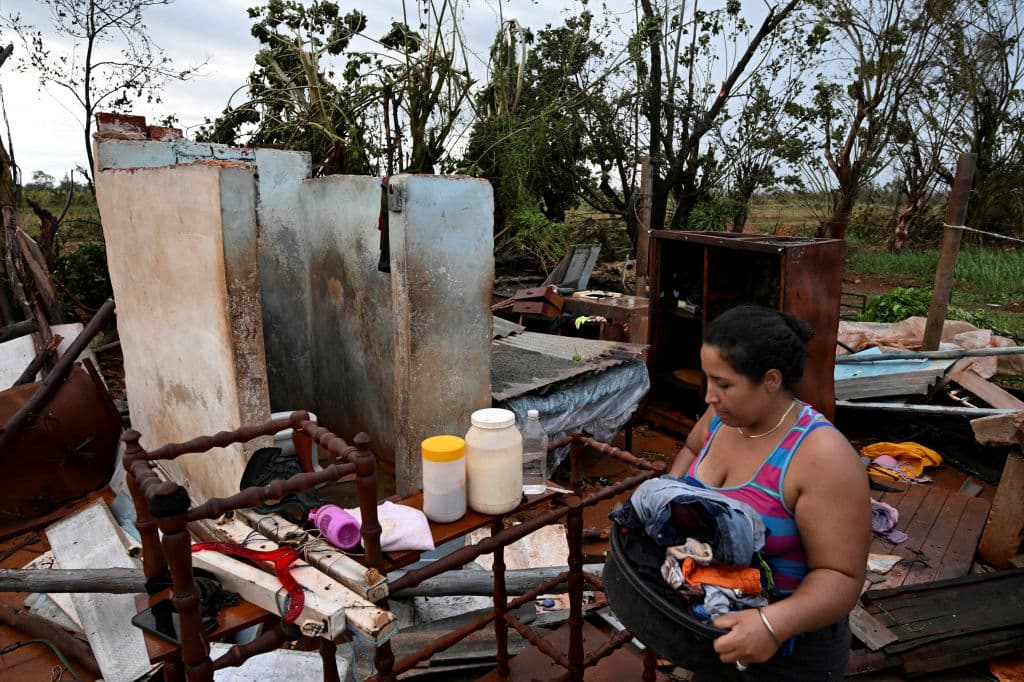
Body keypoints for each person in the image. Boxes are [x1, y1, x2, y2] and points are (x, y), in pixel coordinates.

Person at [666, 305, 870, 680]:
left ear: (771, 380)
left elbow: (841, 574)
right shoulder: (720, 418)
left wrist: (772, 624)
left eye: (724, 384)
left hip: (788, 649)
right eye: (708, 379)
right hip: (715, 626)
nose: (709, 395)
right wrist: (668, 498)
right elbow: (692, 449)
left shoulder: (821, 457)